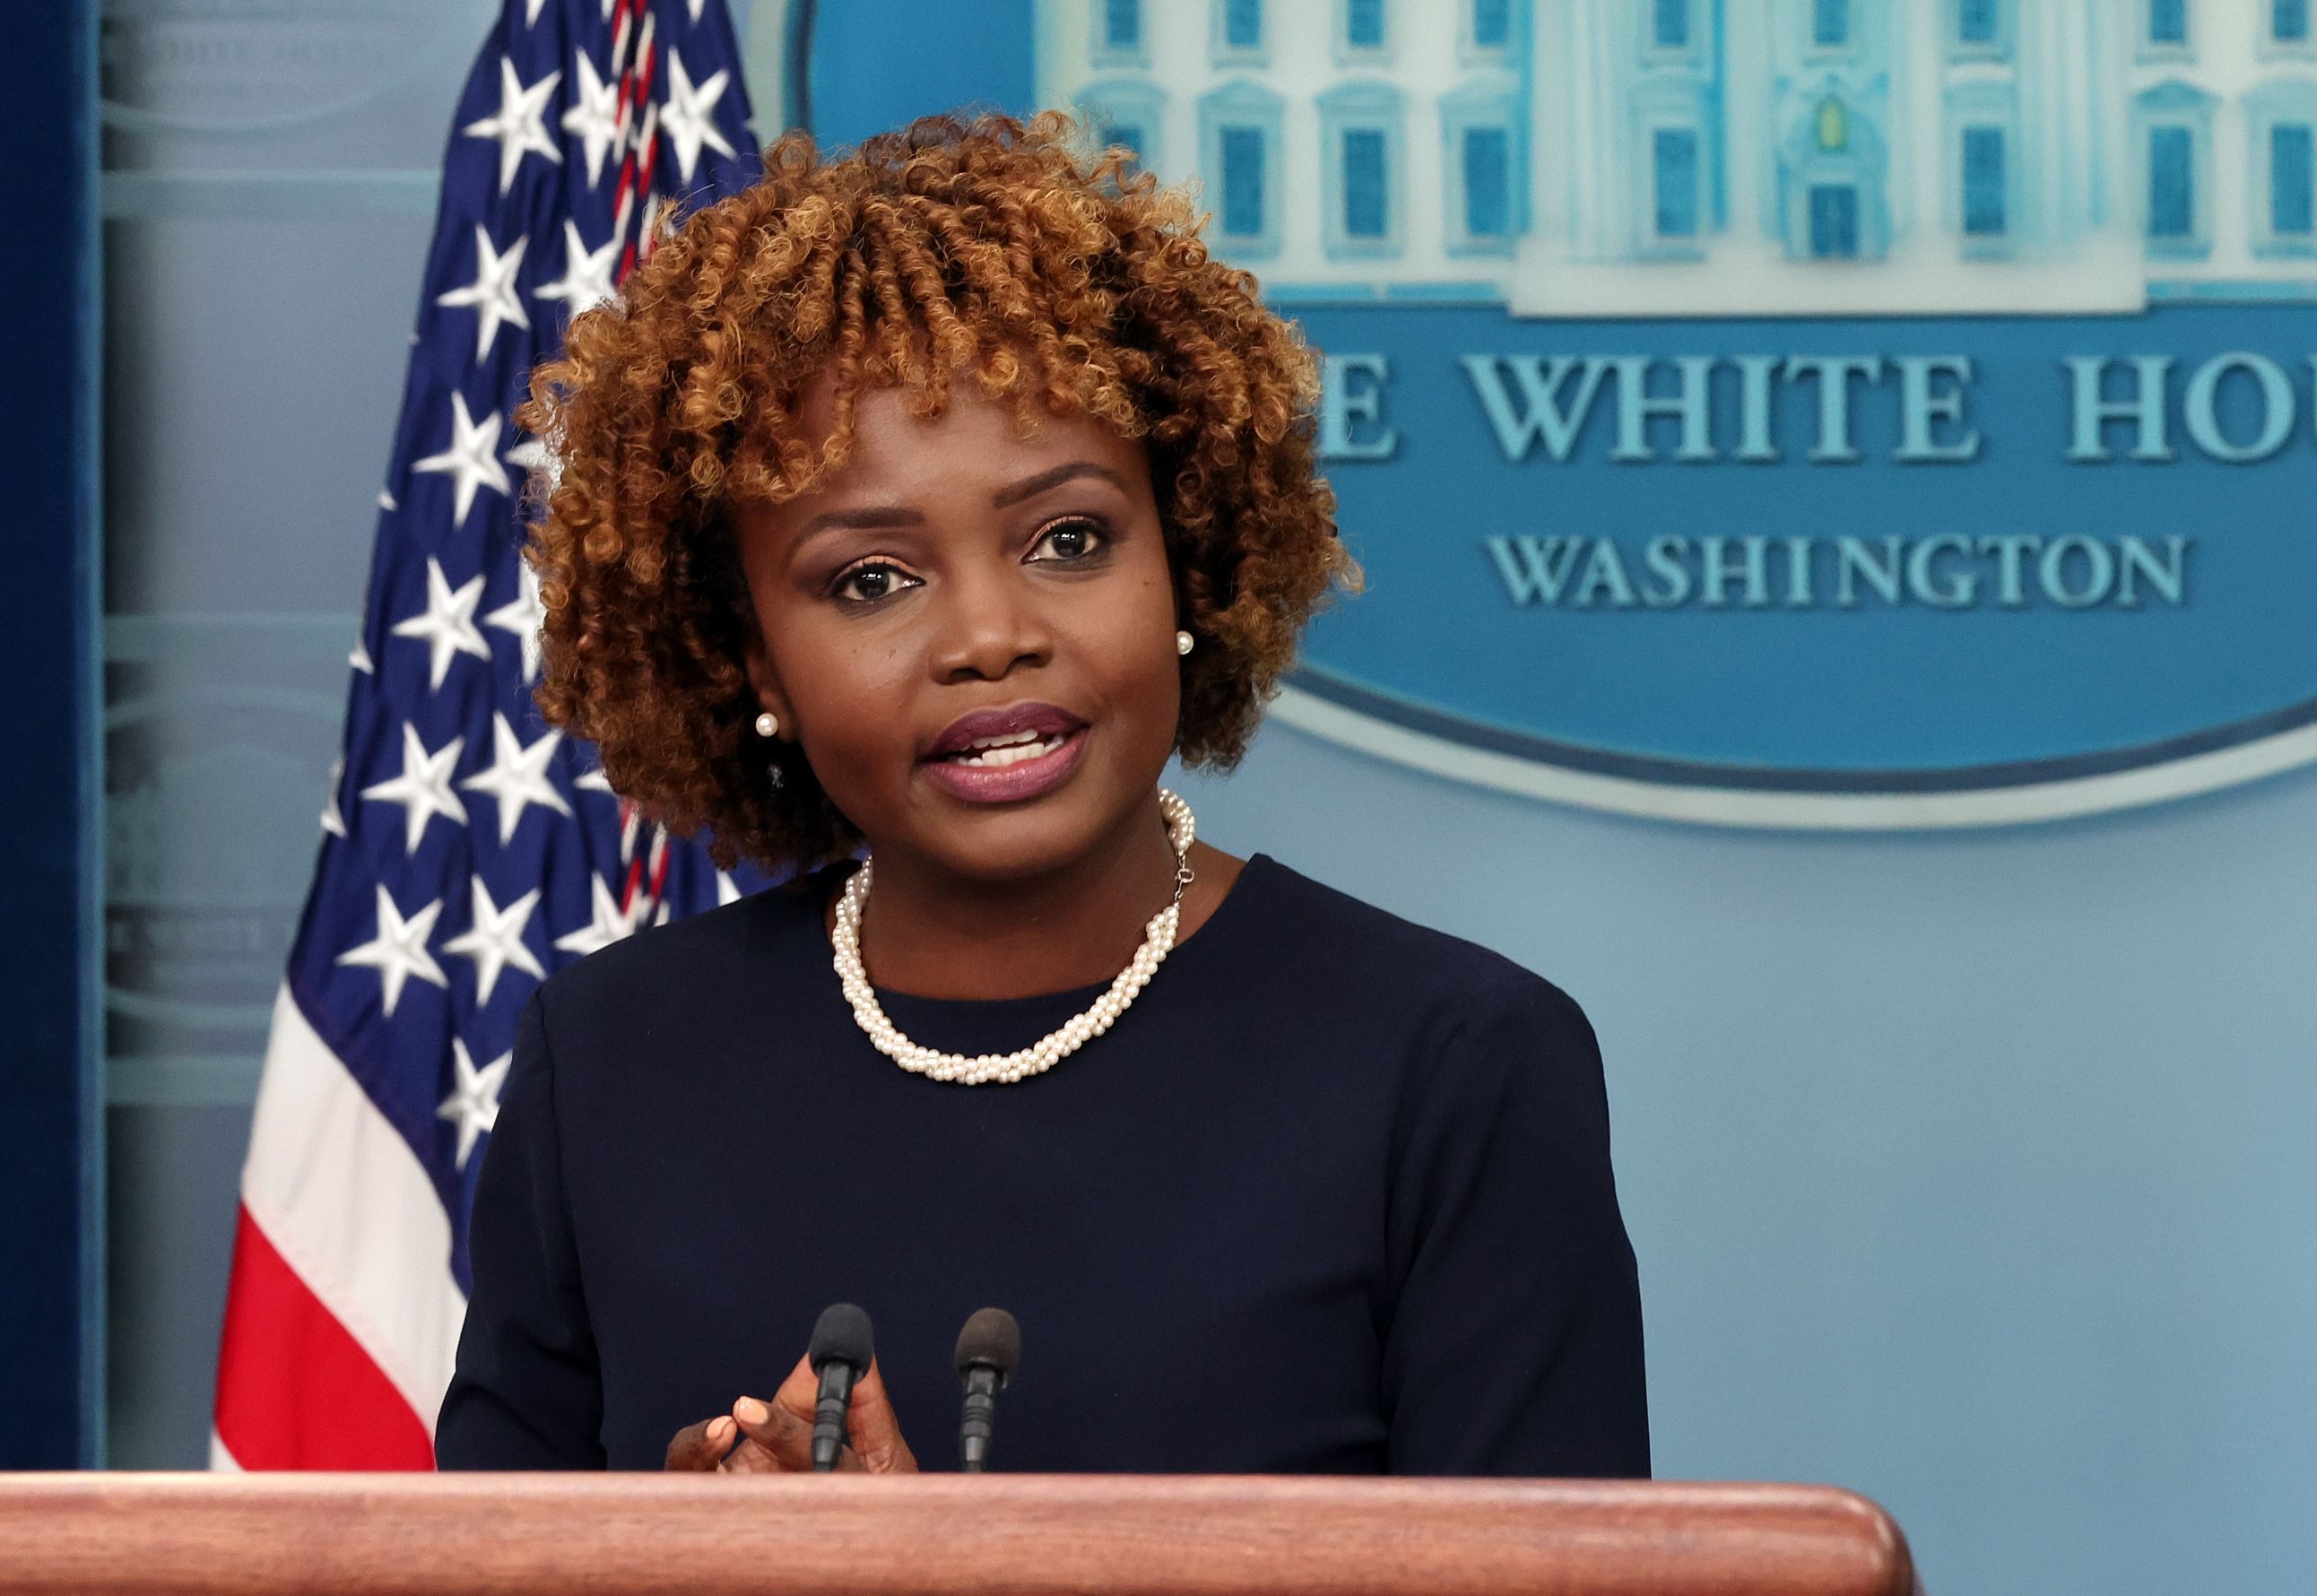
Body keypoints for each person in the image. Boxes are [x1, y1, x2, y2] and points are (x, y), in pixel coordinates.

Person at [434, 113, 1647, 1476]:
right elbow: (475, 1557)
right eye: (870, 579)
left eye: (1069, 539)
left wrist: (936, 1573)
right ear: (752, 657)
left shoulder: (1456, 1067)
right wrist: (670, 1567)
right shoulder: (612, 1066)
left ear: (1186, 559)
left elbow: (1551, 1568)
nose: (989, 636)